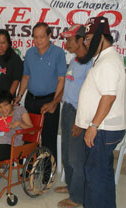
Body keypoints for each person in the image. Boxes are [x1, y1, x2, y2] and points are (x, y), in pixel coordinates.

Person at [75, 16, 126, 208]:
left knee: (95, 178)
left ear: (100, 37)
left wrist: (93, 126)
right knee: (102, 176)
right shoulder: (105, 59)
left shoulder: (108, 63)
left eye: (88, 39)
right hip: (104, 128)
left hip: (102, 129)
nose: (86, 43)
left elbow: (108, 97)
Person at [54, 25, 93, 208]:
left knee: (77, 158)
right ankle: (71, 187)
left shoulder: (90, 64)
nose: (66, 43)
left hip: (79, 114)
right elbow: (68, 88)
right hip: (67, 110)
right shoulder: (75, 60)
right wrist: (54, 102)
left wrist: (82, 120)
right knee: (67, 154)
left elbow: (91, 96)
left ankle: (77, 198)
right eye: (66, 39)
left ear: (81, 40)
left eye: (69, 39)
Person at [15, 22, 66, 160]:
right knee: (30, 135)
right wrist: (19, 96)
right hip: (31, 100)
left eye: (42, 37)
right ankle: (29, 168)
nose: (39, 40)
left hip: (50, 100)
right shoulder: (30, 53)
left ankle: (48, 171)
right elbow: (26, 77)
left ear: (49, 36)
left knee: (48, 137)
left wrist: (54, 103)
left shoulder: (58, 53)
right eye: (36, 37)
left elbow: (62, 79)